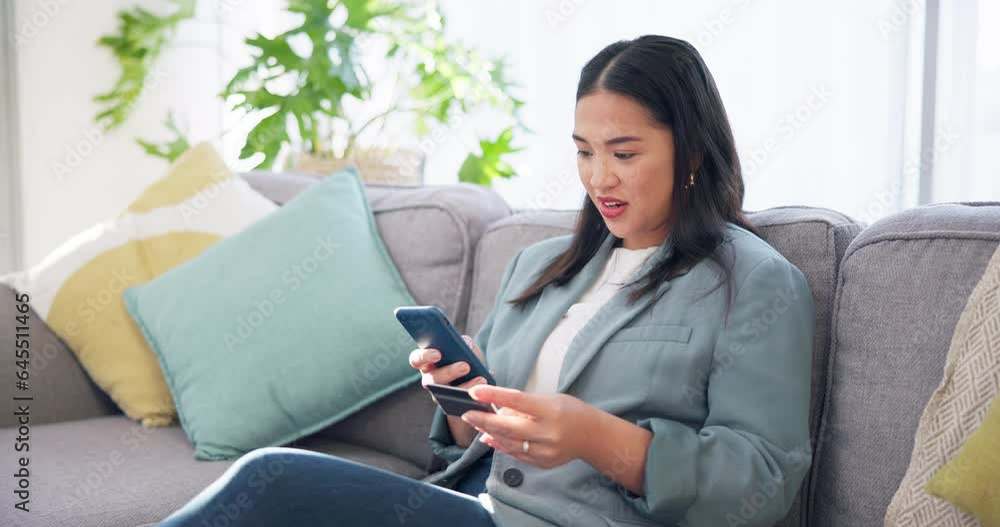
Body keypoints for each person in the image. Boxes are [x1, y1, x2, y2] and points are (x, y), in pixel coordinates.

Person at [160, 34, 815, 527]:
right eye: (584, 152)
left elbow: (762, 481)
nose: (599, 179)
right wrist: (464, 397)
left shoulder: (755, 285)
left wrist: (599, 437)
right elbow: (481, 432)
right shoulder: (541, 267)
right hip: (476, 506)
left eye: (624, 153)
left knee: (272, 482)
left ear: (693, 152)